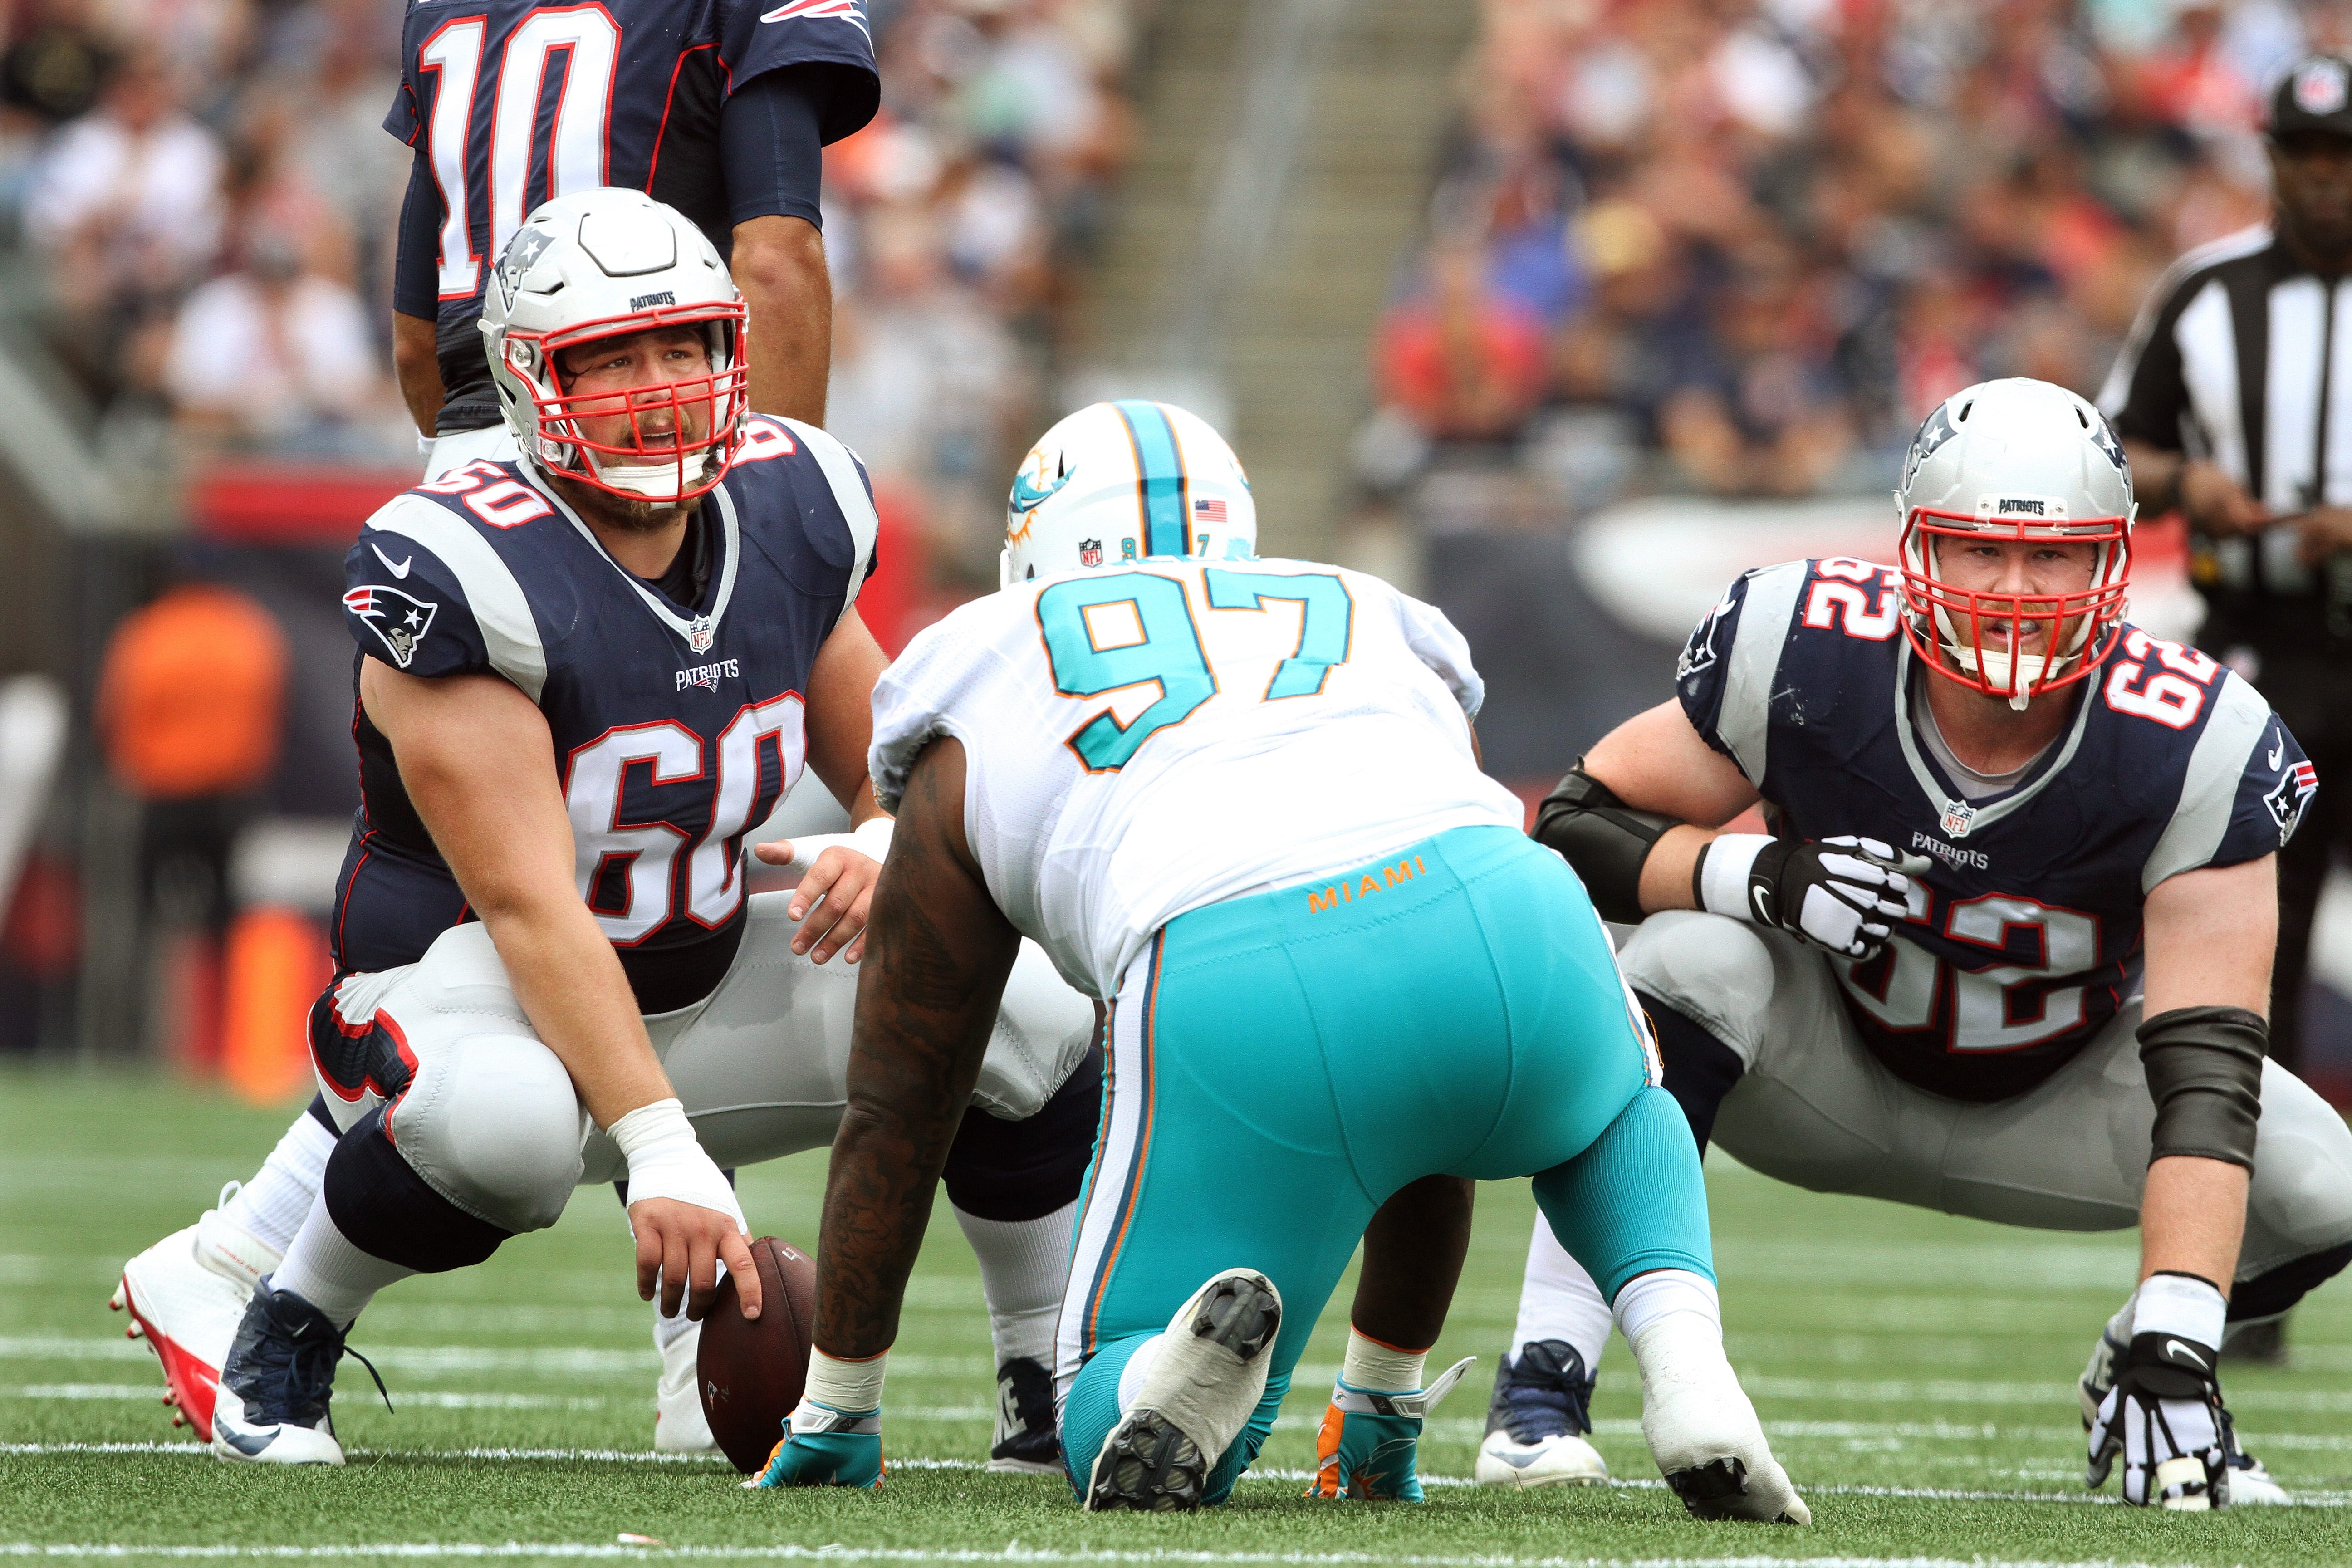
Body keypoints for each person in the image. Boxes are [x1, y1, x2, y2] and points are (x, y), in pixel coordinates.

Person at [111, 190, 1100, 1469]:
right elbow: (529, 906)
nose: (657, 385)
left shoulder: (789, 506)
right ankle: (286, 1331)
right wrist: (660, 1144)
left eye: (681, 345)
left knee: (1021, 1000)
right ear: (530, 383)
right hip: (470, 1003)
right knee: (512, 1131)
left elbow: (901, 765)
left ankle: (1041, 1374)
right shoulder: (465, 563)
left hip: (698, 975)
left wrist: (883, 835)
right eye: (610, 358)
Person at [750, 399, 1808, 1523]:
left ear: (1037, 554)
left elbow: (902, 1099)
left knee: (1104, 1400)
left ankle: (1159, 1381)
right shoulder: (1367, 611)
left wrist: (838, 1404)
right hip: (1507, 909)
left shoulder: (980, 663)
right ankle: (1686, 1359)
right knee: (1613, 1106)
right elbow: (1431, 1108)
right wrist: (1382, 1403)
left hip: (1236, 962)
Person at [1479, 378, 2352, 1510]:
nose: (2015, 591)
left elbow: (2204, 1064)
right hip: (1820, 1066)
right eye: (1978, 550)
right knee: (1679, 961)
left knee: (2324, 1181)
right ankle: (1539, 1388)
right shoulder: (1804, 648)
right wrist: (1756, 874)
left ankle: (2136, 1361)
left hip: (2056, 1102)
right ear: (1913, 548)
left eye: (2056, 557)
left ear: (2114, 564)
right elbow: (1579, 817)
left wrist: (2178, 1333)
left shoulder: (2196, 737)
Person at [2102, 54, 2352, 1139]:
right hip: (2260, 643)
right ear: (2270, 158)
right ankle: (2259, 1227)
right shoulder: (2204, 290)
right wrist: (2186, 485)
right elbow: (2117, 445)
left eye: (2342, 155)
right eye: (2305, 154)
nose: (2325, 178)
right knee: (2261, 926)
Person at [385, 0, 877, 475]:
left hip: (473, 461)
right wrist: (784, 498)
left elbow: (415, 343)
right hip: (651, 454)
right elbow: (775, 261)